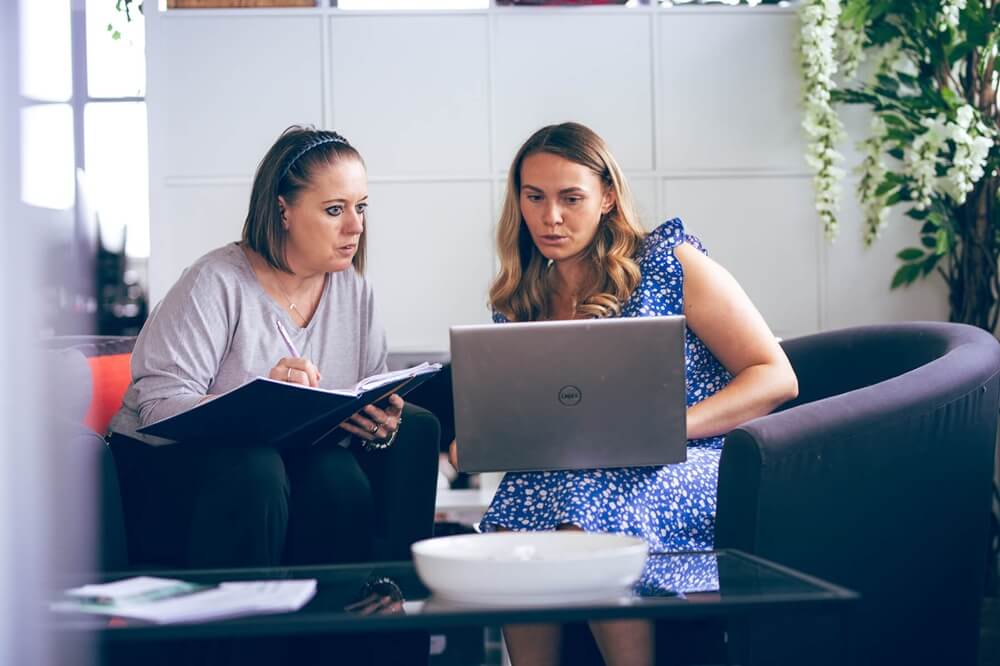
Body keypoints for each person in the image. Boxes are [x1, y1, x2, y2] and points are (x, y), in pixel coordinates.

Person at [453, 122, 799, 666]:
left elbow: (775, 375)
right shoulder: (521, 299)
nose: (551, 217)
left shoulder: (669, 261)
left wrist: (669, 426)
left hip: (694, 457)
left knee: (582, 503)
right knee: (522, 503)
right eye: (534, 197)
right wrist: (482, 436)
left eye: (571, 198)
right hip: (583, 466)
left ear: (607, 198)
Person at [108, 126, 440, 572]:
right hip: (166, 466)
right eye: (334, 209)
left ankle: (348, 629)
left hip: (281, 467)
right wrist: (260, 399)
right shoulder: (216, 282)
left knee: (339, 475)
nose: (355, 226)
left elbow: (364, 391)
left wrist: (380, 422)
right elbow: (158, 409)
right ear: (283, 210)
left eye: (361, 207)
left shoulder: (354, 294)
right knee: (256, 467)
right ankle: (245, 638)